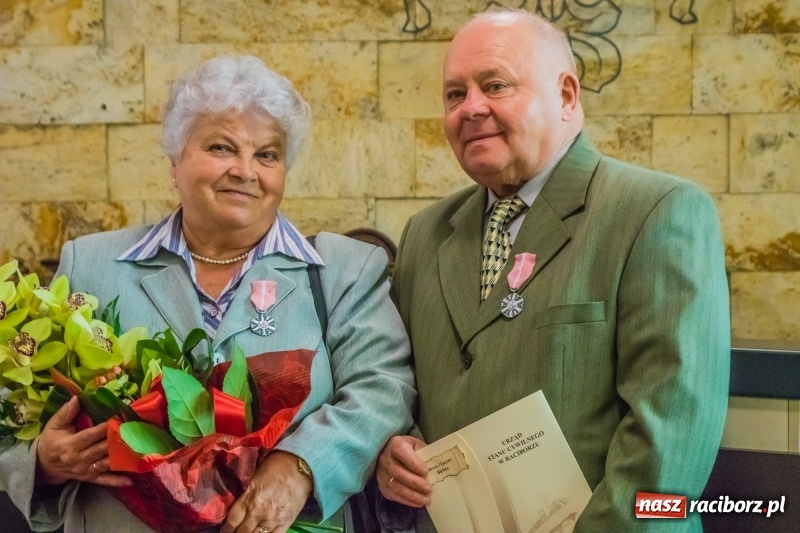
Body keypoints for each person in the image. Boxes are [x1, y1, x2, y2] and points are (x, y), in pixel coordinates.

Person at [0, 54, 416, 533]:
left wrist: (302, 464)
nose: (245, 170)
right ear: (175, 162)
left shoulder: (343, 270)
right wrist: (46, 463)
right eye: (221, 148)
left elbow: (383, 388)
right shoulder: (90, 264)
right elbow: (15, 410)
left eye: (267, 154)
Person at [376, 9, 729, 532]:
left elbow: (668, 449)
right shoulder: (425, 234)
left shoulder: (659, 212)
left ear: (566, 95)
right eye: (454, 94)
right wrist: (389, 449)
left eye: (495, 85)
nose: (471, 108)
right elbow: (396, 388)